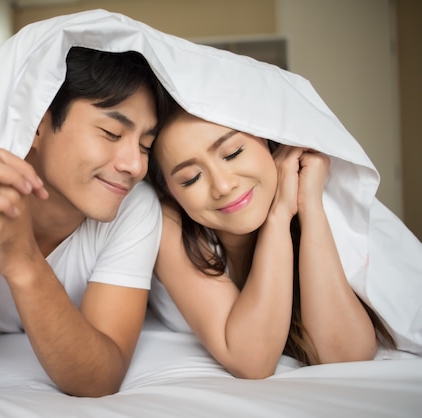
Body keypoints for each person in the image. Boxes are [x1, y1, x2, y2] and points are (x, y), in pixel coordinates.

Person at [0, 45, 174, 398]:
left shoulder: (134, 208)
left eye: (146, 145)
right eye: (112, 134)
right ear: (38, 124)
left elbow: (100, 378)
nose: (135, 165)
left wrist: (23, 261)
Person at [147, 108, 396, 379]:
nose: (223, 186)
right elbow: (252, 360)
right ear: (169, 191)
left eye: (232, 153)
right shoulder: (170, 222)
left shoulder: (312, 197)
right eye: (190, 178)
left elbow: (346, 356)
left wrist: (309, 206)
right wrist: (278, 215)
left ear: (266, 138)